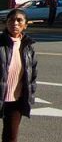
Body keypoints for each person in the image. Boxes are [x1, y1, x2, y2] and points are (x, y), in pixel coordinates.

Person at [0, 9, 38, 142]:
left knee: (11, 136)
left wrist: (29, 96)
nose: (15, 23)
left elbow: (32, 76)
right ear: (6, 23)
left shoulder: (28, 47)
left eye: (19, 20)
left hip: (16, 99)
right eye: (11, 20)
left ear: (25, 25)